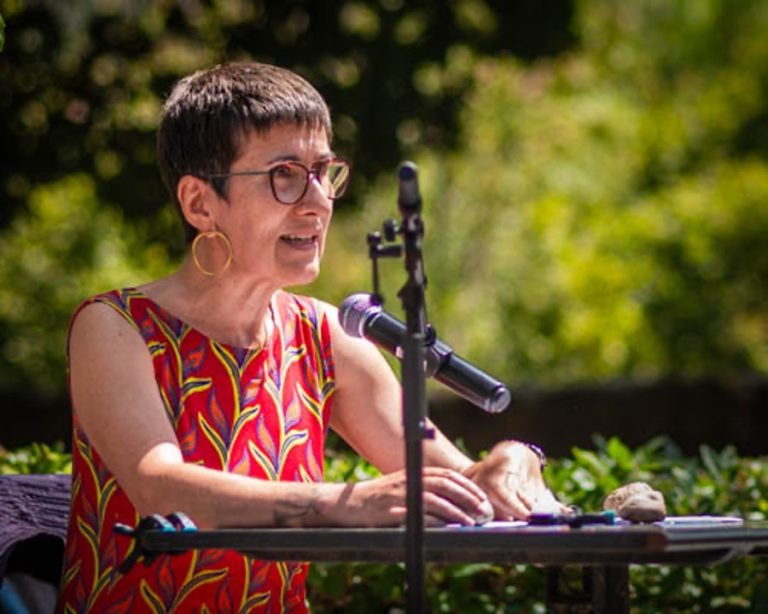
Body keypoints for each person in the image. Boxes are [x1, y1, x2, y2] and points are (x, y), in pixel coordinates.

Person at [57, 61, 559, 613]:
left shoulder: (326, 336)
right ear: (200, 202)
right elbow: (161, 488)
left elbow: (451, 481)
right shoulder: (115, 325)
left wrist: (512, 459)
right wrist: (349, 502)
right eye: (285, 175)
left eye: (323, 172)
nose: (318, 200)